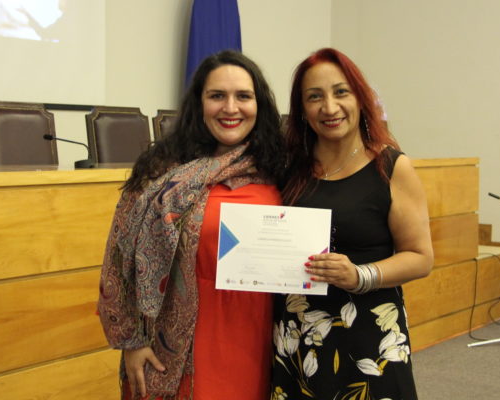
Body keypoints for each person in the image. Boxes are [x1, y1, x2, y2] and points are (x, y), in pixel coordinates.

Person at [98, 50, 285, 399]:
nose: (231, 108)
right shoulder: (160, 173)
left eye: (243, 96)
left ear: (259, 105)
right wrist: (132, 341)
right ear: (199, 103)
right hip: (176, 348)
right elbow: (118, 259)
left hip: (256, 338)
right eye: (217, 96)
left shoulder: (281, 170)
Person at [271, 48, 433, 400]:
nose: (329, 108)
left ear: (360, 98)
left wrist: (360, 276)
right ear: (302, 109)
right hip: (299, 337)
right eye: (315, 97)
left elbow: (421, 257)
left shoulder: (391, 167)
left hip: (368, 337)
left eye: (341, 92)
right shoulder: (287, 168)